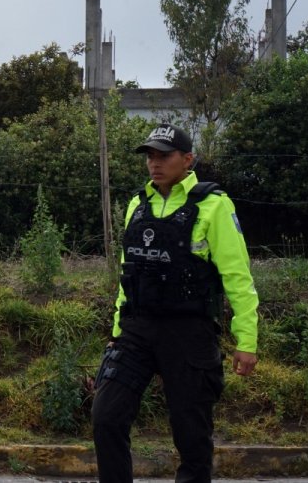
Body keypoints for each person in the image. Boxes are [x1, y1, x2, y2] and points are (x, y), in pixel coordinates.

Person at [92, 123, 258, 483]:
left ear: (187, 159)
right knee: (106, 417)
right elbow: (128, 275)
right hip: (137, 330)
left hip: (188, 332)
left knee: (192, 437)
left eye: (163, 155)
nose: (155, 163)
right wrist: (117, 332)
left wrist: (247, 340)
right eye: (150, 155)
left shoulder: (214, 206)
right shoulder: (138, 204)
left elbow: (237, 277)